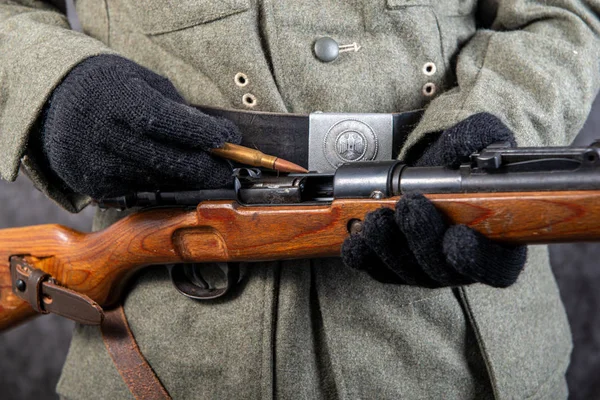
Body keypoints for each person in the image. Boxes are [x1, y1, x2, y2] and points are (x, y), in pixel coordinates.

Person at [1, 0, 599, 398]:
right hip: (162, 358)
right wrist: (53, 87)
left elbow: (567, 12)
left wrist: (480, 131)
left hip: (455, 357)